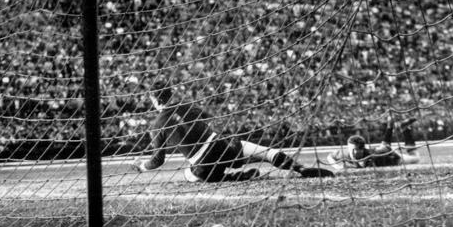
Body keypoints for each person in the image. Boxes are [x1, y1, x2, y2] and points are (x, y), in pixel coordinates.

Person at [132, 81, 335, 182]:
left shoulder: (157, 124)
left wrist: (142, 166)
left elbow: (158, 160)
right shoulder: (188, 105)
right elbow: (206, 116)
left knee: (188, 175)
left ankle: (234, 178)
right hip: (223, 145)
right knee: (267, 153)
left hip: (202, 165)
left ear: (154, 99)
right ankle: (299, 169)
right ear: (171, 94)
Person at [326, 116, 419, 171]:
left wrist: (389, 127)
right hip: (383, 151)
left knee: (416, 158)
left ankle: (405, 129)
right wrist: (338, 167)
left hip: (393, 158)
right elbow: (330, 157)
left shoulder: (372, 156)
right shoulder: (342, 153)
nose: (357, 153)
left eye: (359, 150)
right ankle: (405, 129)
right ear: (349, 149)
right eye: (354, 150)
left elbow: (386, 146)